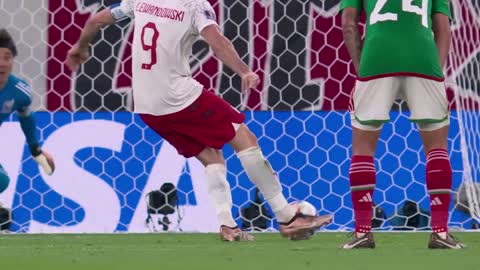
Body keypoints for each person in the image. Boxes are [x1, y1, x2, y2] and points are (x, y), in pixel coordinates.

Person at [66, 0, 332, 241]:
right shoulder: (195, 5)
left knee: (211, 154)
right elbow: (218, 43)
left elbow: (94, 20)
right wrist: (244, 71)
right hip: (177, 96)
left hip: (146, 106)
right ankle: (287, 217)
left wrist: (81, 47)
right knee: (244, 139)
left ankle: (228, 225)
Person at [340, 0, 464, 249]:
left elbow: (348, 25)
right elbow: (443, 29)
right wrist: (435, 72)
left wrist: (360, 65)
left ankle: (363, 232)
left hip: (376, 58)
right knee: (437, 148)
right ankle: (440, 233)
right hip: (423, 58)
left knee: (363, 149)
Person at [0, 29, 55, 195]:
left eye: (7, 57)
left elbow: (26, 116)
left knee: (2, 182)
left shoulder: (19, 92)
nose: (1, 63)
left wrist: (35, 148)